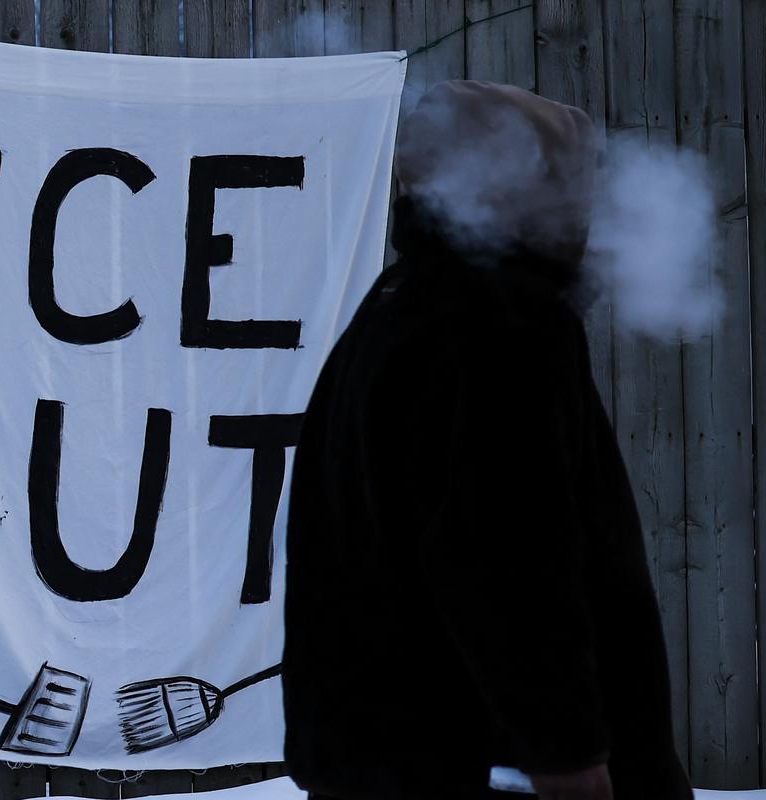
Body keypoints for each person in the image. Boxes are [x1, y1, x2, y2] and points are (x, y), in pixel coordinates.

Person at [281, 81, 693, 800]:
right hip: (482, 770)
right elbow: (507, 553)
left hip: (389, 765)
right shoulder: (498, 325)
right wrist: (567, 758)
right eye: (564, 180)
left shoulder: (397, 309)